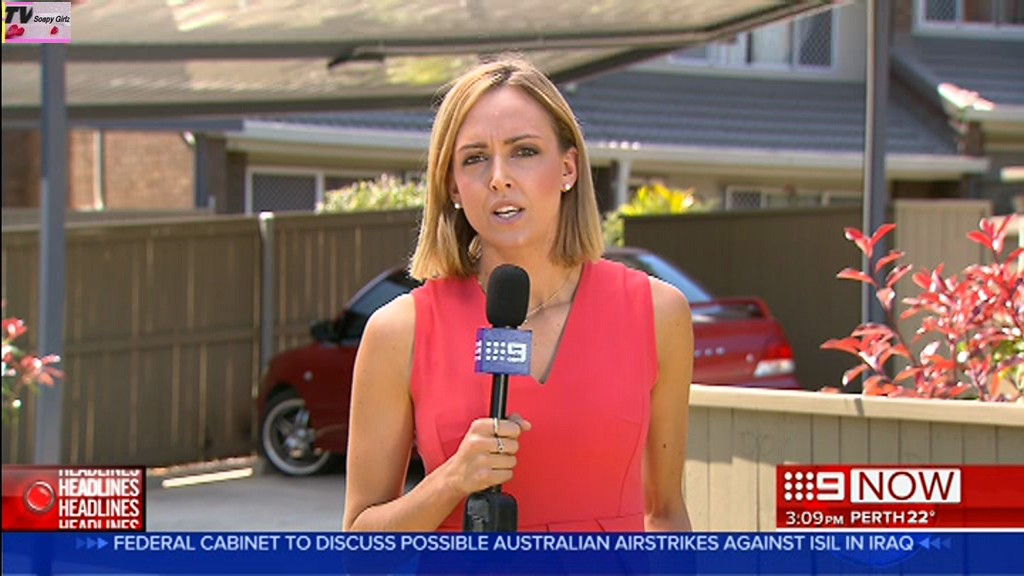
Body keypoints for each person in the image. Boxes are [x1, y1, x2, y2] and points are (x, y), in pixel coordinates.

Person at [342, 56, 693, 532]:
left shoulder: (658, 314)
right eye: (474, 158)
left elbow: (666, 513)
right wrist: (450, 481)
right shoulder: (398, 332)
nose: (499, 177)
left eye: (524, 151)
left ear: (568, 168)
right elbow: (361, 551)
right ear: (453, 187)